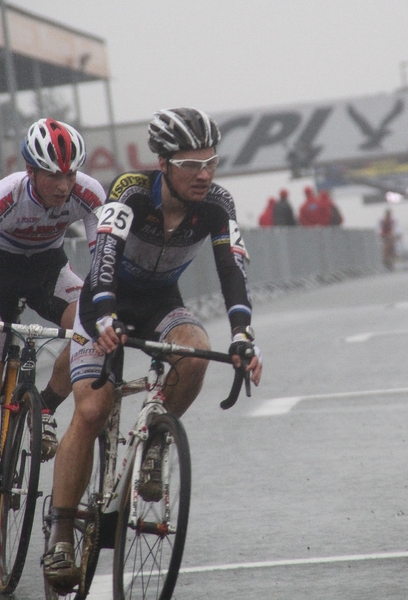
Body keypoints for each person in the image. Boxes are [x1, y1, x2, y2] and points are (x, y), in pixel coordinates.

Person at [42, 107, 263, 593]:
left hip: (162, 302)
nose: (204, 174)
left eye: (211, 162)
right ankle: (60, 532)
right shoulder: (130, 192)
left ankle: (156, 443)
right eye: (191, 165)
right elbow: (101, 262)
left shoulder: (217, 204)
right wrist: (101, 317)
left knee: (197, 348)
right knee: (94, 407)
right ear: (164, 163)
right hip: (105, 300)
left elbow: (233, 272)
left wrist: (243, 335)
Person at [0, 118, 105, 461]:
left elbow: (102, 255)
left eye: (70, 175)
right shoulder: (8, 194)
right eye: (53, 176)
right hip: (3, 268)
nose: (64, 186)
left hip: (48, 268)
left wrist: (105, 303)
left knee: (88, 323)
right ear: (30, 170)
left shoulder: (88, 193)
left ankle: (44, 407)